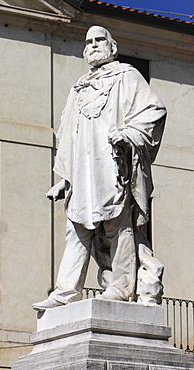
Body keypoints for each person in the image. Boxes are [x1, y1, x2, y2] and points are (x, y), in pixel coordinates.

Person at [33, 25, 166, 311]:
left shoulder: (127, 76)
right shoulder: (79, 86)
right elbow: (70, 135)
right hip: (82, 171)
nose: (93, 45)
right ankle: (65, 292)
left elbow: (155, 110)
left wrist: (129, 133)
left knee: (117, 226)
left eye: (99, 40)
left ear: (112, 46)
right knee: (76, 229)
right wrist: (65, 179)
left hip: (113, 165)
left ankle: (119, 287)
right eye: (89, 41)